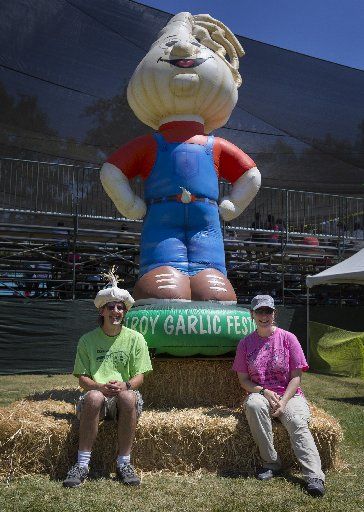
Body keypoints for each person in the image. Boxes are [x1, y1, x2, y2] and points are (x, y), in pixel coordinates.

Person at [63, 269, 153, 488]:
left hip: (124, 397)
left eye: (120, 308)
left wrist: (126, 385)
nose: (116, 311)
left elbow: (140, 375)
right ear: (101, 311)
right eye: (111, 307)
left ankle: (124, 464)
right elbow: (82, 379)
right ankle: (82, 465)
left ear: (124, 312)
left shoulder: (136, 338)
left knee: (129, 397)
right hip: (97, 397)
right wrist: (100, 387)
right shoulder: (87, 340)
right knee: (93, 397)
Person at [232, 295, 325, 497]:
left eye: (268, 311)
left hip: (289, 395)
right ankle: (271, 463)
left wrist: (283, 402)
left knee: (296, 421)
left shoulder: (288, 338)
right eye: (259, 312)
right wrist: (263, 391)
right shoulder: (245, 344)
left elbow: (296, 377)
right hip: (261, 393)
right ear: (252, 314)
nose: (264, 316)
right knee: (254, 405)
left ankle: (314, 476)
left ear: (274, 314)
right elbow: (244, 381)